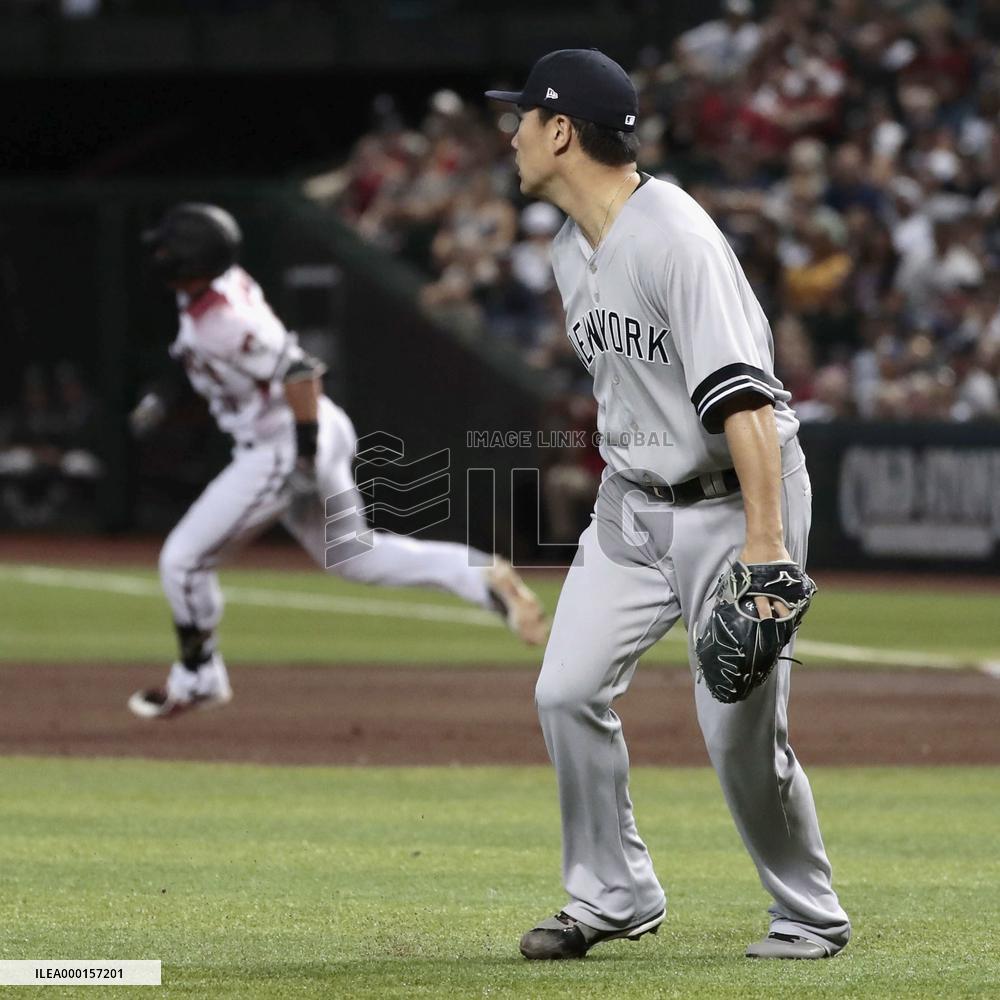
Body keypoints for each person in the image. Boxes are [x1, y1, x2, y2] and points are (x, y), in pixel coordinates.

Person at [485, 49, 850, 960]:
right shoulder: (571, 245)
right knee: (566, 690)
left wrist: (767, 550)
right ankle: (613, 894)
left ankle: (809, 913)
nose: (513, 131)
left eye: (523, 116)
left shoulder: (676, 238)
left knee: (738, 736)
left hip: (736, 505)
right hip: (630, 505)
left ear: (561, 130)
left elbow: (747, 403)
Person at [127, 203, 547, 719]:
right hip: (314, 431)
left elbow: (300, 371)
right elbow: (210, 356)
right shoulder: (218, 289)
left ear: (191, 260)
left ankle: (198, 676)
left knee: (183, 561)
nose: (159, 253)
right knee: (356, 557)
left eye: (169, 247)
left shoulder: (223, 320)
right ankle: (475, 573)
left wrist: (301, 456)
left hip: (283, 445)